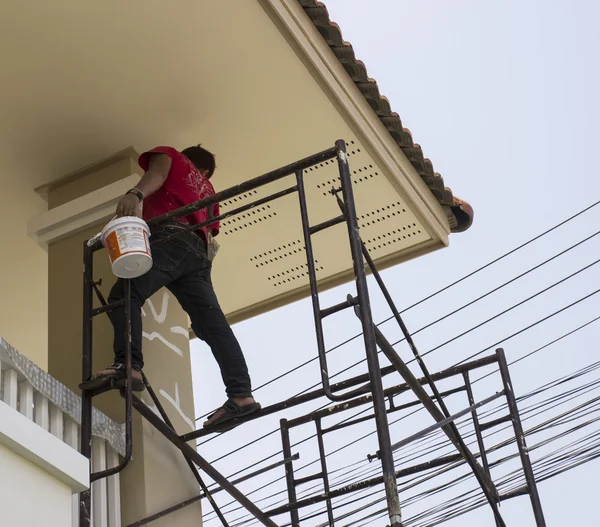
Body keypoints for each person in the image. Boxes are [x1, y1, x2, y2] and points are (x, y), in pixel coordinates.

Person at [80, 145, 260, 431]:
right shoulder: (210, 192)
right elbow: (211, 231)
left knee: (124, 295)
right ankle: (241, 395)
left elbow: (157, 173)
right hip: (198, 255)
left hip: (171, 237)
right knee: (212, 326)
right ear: (205, 172)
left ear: (191, 163)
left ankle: (129, 365)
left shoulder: (172, 155)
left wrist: (136, 193)